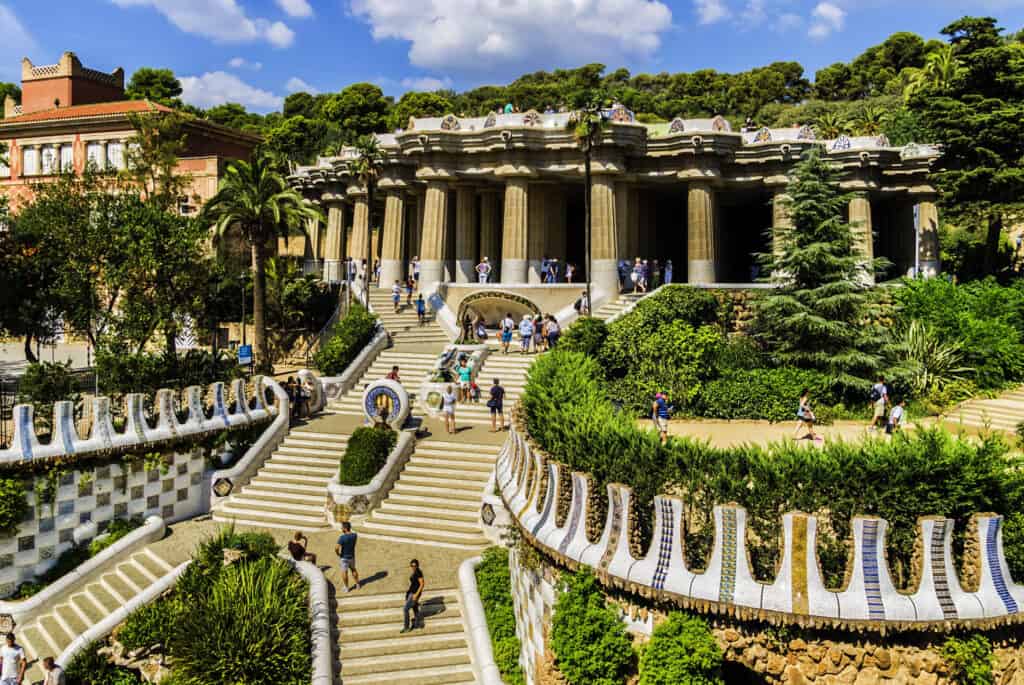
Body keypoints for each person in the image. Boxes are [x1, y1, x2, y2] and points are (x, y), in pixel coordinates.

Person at [401, 559, 425, 633]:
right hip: (411, 592)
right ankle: (418, 624)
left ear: (417, 565)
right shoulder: (415, 572)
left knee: (405, 609)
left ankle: (406, 627)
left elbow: (422, 584)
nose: (413, 567)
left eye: (415, 565)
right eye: (412, 565)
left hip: (414, 594)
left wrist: (416, 595)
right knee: (415, 608)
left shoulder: (418, 573)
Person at [335, 521, 359, 592]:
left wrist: (338, 554)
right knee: (353, 569)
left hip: (344, 557)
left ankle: (346, 587)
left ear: (345, 528)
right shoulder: (355, 535)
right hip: (352, 556)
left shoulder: (342, 538)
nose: (341, 528)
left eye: (342, 527)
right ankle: (357, 584)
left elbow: (336, 548)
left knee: (344, 572)